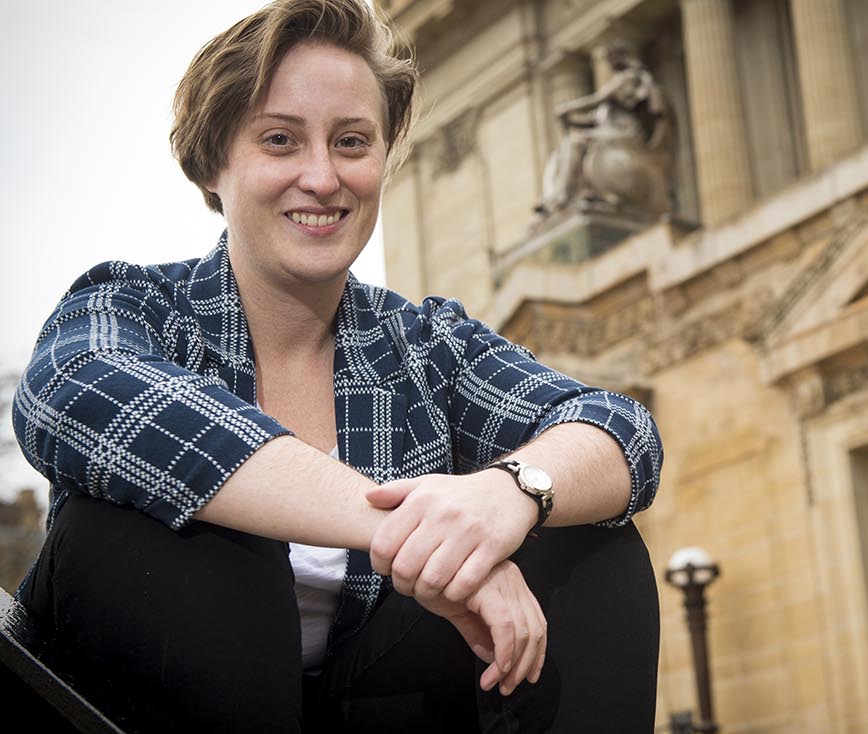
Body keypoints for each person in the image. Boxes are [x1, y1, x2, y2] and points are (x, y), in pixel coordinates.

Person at [9, 1, 662, 732]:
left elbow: (621, 429)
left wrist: (505, 497)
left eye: (351, 142)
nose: (322, 177)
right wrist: (404, 529)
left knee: (591, 542)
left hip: (368, 701)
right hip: (131, 702)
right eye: (281, 141)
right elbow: (70, 392)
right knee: (208, 534)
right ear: (211, 162)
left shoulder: (426, 346)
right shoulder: (136, 304)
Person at [535, 41, 670, 218]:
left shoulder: (629, 77)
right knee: (570, 142)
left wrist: (568, 108)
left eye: (612, 58)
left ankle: (562, 195)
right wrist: (572, 123)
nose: (610, 63)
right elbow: (594, 120)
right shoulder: (612, 97)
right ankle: (572, 192)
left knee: (577, 143)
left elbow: (600, 98)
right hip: (608, 131)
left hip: (624, 132)